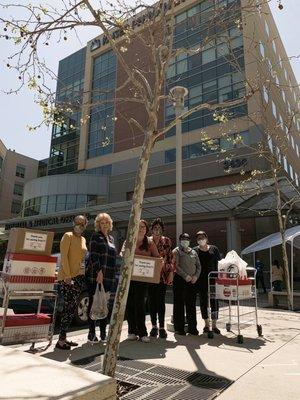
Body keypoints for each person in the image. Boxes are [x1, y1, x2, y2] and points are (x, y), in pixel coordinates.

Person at [122, 220, 160, 343]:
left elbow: (157, 258)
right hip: (129, 279)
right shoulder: (129, 240)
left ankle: (143, 333)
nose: (141, 228)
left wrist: (160, 262)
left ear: (146, 228)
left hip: (143, 280)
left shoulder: (149, 242)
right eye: (138, 226)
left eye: (143, 226)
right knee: (129, 305)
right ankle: (132, 331)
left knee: (140, 305)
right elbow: (122, 253)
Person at [56, 215, 88, 350]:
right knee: (68, 309)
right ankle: (61, 341)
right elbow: (63, 257)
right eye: (77, 223)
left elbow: (81, 258)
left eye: (82, 224)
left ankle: (64, 338)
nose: (79, 225)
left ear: (85, 225)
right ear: (73, 223)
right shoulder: (67, 236)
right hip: (68, 278)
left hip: (79, 278)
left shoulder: (83, 239)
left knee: (71, 309)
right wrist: (68, 275)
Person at [86, 213, 117, 343]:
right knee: (94, 303)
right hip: (95, 276)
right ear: (98, 224)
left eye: (106, 222)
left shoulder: (111, 239)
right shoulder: (95, 237)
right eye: (101, 223)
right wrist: (99, 272)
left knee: (105, 304)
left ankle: (103, 333)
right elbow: (93, 255)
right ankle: (92, 333)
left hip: (109, 277)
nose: (104, 224)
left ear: (109, 224)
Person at [148, 218, 173, 339]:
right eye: (155, 228)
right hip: (149, 276)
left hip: (162, 276)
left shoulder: (167, 241)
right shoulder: (147, 241)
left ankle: (162, 327)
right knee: (151, 301)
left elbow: (170, 258)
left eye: (159, 228)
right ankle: (154, 326)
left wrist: (170, 272)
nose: (157, 230)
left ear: (162, 230)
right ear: (151, 230)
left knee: (160, 301)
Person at [172, 233, 201, 336]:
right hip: (180, 280)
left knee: (191, 304)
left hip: (192, 281)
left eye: (187, 239)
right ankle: (179, 328)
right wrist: (185, 276)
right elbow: (175, 266)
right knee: (179, 304)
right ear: (180, 240)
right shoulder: (176, 251)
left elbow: (198, 266)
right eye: (183, 239)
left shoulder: (193, 252)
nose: (185, 240)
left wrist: (195, 276)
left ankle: (192, 328)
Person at [194, 230, 221, 334]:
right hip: (201, 280)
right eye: (198, 238)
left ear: (207, 238)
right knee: (203, 301)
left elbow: (219, 263)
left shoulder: (214, 249)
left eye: (202, 237)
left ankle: (214, 324)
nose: (201, 240)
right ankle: (206, 324)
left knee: (214, 301)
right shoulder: (195, 250)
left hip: (214, 279)